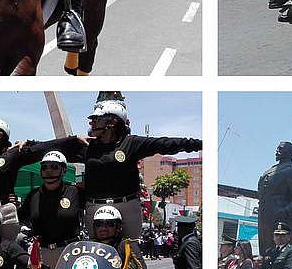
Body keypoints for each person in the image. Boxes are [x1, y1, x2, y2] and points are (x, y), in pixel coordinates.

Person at [79, 99, 201, 239]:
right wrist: (73, 138)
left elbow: (165, 144)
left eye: (97, 119)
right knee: (93, 249)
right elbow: (57, 148)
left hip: (128, 207)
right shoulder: (86, 145)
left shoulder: (131, 143)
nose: (92, 123)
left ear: (112, 122)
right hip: (94, 206)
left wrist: (199, 144)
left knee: (131, 247)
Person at [20, 150, 85, 269]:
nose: (48, 171)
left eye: (54, 167)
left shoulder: (76, 192)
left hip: (69, 252)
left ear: (64, 170)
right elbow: (20, 217)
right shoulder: (33, 195)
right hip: (40, 254)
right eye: (44, 167)